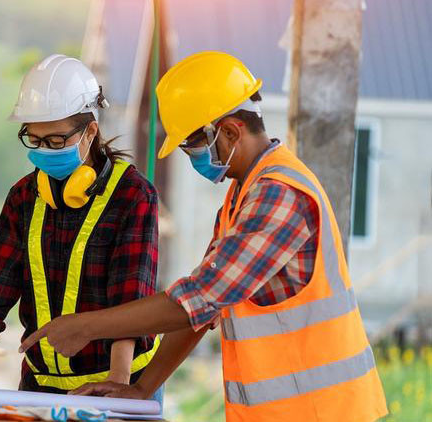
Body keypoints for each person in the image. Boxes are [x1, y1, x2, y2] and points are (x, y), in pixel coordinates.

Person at [19, 51, 388, 421]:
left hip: (323, 411)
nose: (191, 158)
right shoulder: (242, 197)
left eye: (192, 146)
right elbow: (203, 308)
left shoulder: (279, 195)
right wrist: (142, 388)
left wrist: (86, 326)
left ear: (229, 131)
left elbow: (195, 299)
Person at [0, 54, 161, 400]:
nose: (44, 150)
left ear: (90, 131)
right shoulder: (24, 196)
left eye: (56, 141)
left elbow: (131, 300)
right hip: (40, 386)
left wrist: (118, 385)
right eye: (35, 140)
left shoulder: (133, 196)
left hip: (119, 381)